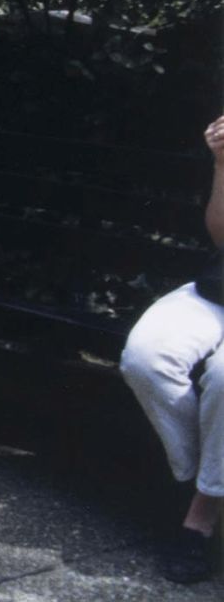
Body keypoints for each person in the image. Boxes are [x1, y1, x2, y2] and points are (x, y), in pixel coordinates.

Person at [121, 114, 224, 584]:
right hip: (215, 293)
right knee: (146, 359)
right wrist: (223, 162)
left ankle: (198, 519)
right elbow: (221, 235)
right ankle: (203, 480)